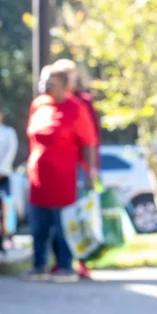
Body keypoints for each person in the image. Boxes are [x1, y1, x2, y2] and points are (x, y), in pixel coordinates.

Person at [24, 65, 98, 283]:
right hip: (38, 177)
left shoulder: (76, 108)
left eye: (51, 82)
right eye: (43, 81)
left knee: (63, 224)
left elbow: (88, 142)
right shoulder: (38, 105)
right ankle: (39, 266)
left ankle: (65, 266)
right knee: (39, 224)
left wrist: (91, 171)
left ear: (65, 86)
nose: (45, 85)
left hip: (64, 177)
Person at [50, 59, 98, 279]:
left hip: (77, 167)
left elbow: (92, 139)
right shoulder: (48, 102)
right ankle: (60, 260)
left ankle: (83, 261)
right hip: (56, 170)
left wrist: (92, 168)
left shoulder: (82, 102)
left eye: (69, 74)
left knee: (79, 215)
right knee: (57, 218)